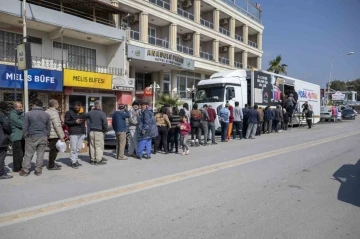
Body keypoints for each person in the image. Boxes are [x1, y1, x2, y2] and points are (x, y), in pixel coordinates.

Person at [20, 99, 50, 177]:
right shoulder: (46, 114)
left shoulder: (28, 114)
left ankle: (25, 171)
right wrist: (47, 135)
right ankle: (38, 170)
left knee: (28, 154)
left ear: (34, 105)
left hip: (31, 136)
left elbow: (24, 126)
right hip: (43, 136)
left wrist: (25, 135)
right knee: (40, 154)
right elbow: (48, 127)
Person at [65, 101, 86, 169]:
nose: (78, 109)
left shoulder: (82, 112)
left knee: (78, 148)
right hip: (73, 133)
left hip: (81, 133)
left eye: (79, 107)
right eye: (76, 108)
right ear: (74, 106)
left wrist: (84, 132)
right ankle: (73, 162)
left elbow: (84, 122)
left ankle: (76, 160)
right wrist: (75, 122)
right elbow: (66, 122)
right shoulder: (69, 112)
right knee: (73, 148)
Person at [86, 100, 108, 165]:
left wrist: (90, 124)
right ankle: (98, 160)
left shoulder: (90, 112)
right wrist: (105, 130)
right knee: (98, 146)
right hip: (99, 131)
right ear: (99, 105)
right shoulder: (102, 113)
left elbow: (84, 116)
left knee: (92, 146)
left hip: (91, 131)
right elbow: (105, 123)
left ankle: (92, 160)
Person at [45, 99, 65, 170]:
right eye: (58, 104)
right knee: (53, 151)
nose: (58, 105)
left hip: (49, 133)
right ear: (55, 104)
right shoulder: (54, 113)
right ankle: (51, 165)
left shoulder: (46, 111)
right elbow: (57, 125)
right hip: (54, 134)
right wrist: (61, 136)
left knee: (52, 150)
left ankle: (52, 163)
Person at [9, 102, 24, 173]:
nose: (21, 108)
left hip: (22, 136)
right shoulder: (12, 115)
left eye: (21, 107)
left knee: (22, 153)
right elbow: (22, 124)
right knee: (18, 154)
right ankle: (17, 168)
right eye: (20, 107)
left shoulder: (21, 114)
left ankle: (20, 165)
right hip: (16, 136)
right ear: (15, 108)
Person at [0, 101, 13, 179]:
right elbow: (6, 125)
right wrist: (10, 132)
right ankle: (1, 173)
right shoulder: (2, 114)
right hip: (1, 138)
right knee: (1, 156)